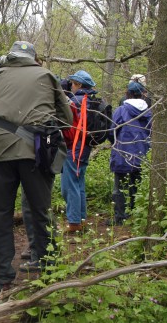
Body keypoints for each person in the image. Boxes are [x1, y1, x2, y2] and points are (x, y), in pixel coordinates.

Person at [0, 41, 72, 294]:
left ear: (11, 57)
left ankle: (1, 278)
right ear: (34, 59)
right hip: (36, 153)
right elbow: (67, 120)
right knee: (41, 210)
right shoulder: (47, 76)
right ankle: (49, 268)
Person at [61, 70, 104, 233]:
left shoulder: (76, 101)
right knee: (79, 184)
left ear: (78, 85)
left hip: (74, 148)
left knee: (69, 185)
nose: (70, 85)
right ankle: (81, 219)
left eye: (72, 83)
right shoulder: (90, 100)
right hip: (85, 148)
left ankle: (73, 223)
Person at [107, 81, 152, 226]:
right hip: (141, 152)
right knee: (135, 184)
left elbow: (112, 130)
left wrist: (114, 143)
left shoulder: (121, 110)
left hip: (123, 152)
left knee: (119, 186)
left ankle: (120, 217)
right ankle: (134, 213)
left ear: (129, 93)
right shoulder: (148, 111)